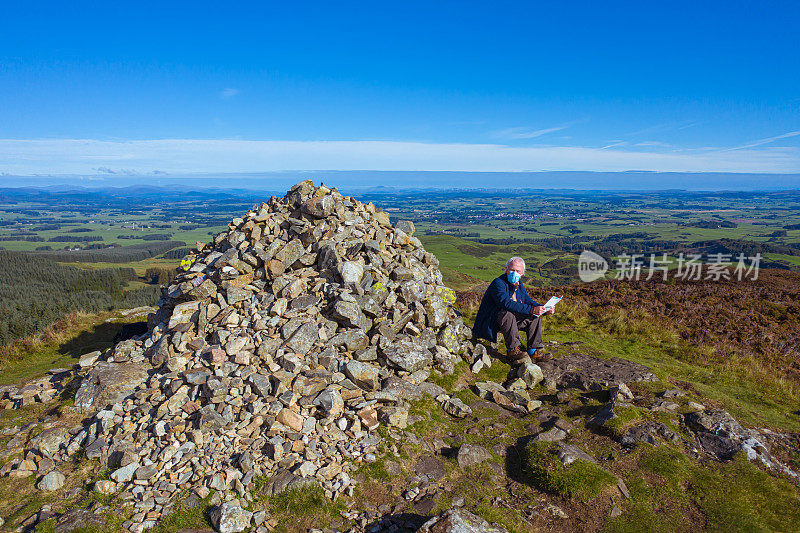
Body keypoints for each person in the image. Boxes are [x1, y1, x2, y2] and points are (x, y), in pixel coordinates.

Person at [471, 256, 554, 362]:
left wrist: (544, 308)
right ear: (506, 269)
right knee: (507, 313)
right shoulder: (498, 283)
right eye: (512, 270)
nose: (514, 273)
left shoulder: (519, 284)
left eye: (518, 271)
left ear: (522, 273)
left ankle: (534, 351)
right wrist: (532, 309)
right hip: (492, 321)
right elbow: (505, 303)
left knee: (535, 316)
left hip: (509, 322)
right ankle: (512, 350)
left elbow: (528, 301)